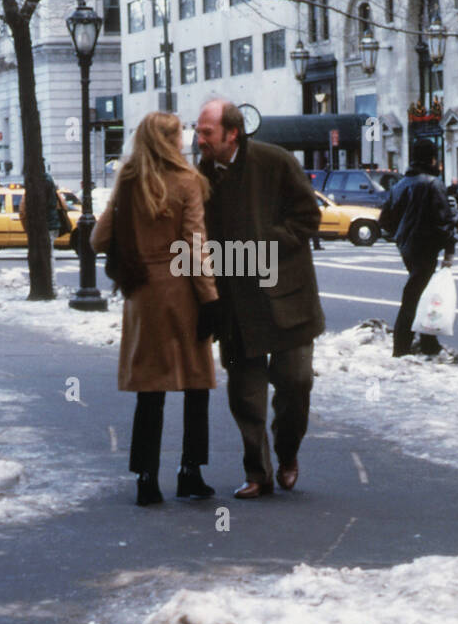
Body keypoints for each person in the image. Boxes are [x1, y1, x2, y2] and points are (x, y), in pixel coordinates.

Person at [195, 99, 324, 499]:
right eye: (198, 132)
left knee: (295, 383)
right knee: (246, 394)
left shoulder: (276, 162)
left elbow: (307, 218)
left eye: (207, 133)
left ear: (232, 133)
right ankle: (258, 473)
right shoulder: (199, 176)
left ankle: (287, 453)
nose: (199, 140)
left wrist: (262, 245)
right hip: (235, 304)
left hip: (288, 298)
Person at [92, 112, 221, 506]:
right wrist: (210, 297)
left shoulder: (128, 182)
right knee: (196, 383)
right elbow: (195, 246)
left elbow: (98, 239)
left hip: (142, 297)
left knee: (150, 390)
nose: (184, 139)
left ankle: (146, 478)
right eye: (179, 134)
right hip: (181, 292)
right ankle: (190, 472)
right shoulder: (188, 181)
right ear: (169, 140)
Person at [379, 139, 457, 358]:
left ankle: (427, 342)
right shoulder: (434, 184)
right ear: (432, 158)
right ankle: (403, 346)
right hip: (427, 246)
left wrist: (400, 235)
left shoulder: (400, 184)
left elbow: (385, 220)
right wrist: (449, 252)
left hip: (407, 248)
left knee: (421, 292)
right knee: (414, 295)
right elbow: (444, 221)